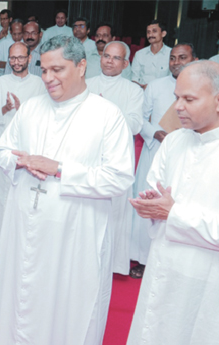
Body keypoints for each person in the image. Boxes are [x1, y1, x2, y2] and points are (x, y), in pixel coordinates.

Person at [0, 36, 135, 345]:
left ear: (81, 66)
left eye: (58, 69)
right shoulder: (30, 110)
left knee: (66, 308)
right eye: (44, 70)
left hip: (74, 234)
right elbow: (3, 150)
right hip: (24, 225)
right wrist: (21, 162)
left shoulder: (107, 115)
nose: (49, 78)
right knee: (20, 297)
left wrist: (61, 169)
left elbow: (119, 178)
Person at [127, 59, 219, 344]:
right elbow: (158, 200)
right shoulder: (174, 142)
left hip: (206, 279)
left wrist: (173, 213)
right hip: (163, 265)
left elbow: (171, 211)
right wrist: (151, 207)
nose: (177, 106)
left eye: (188, 99)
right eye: (177, 97)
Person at [130, 43, 197, 279]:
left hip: (190, 149)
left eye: (182, 57)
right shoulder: (156, 86)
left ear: (194, 59)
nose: (176, 62)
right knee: (152, 198)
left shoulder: (202, 90)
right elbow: (140, 117)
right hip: (157, 149)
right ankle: (144, 259)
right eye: (172, 58)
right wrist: (156, 133)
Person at [0, 42, 46, 257]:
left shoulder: (39, 83)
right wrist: (6, 108)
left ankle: (23, 238)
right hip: (1, 142)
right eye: (12, 58)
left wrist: (21, 110)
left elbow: (45, 117)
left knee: (24, 192)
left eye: (20, 57)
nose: (16, 62)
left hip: (28, 144)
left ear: (29, 57)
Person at [87, 41, 144, 275]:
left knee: (115, 210)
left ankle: (111, 262)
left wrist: (106, 112)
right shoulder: (85, 85)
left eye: (116, 58)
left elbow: (135, 124)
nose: (109, 61)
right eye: (106, 56)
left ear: (125, 63)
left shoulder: (133, 91)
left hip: (117, 156)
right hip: (89, 154)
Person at [131, 20, 171, 89]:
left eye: (154, 31)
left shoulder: (171, 54)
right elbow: (134, 78)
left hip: (164, 93)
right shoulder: (140, 54)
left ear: (163, 34)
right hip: (142, 93)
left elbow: (173, 79)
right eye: (148, 32)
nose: (150, 35)